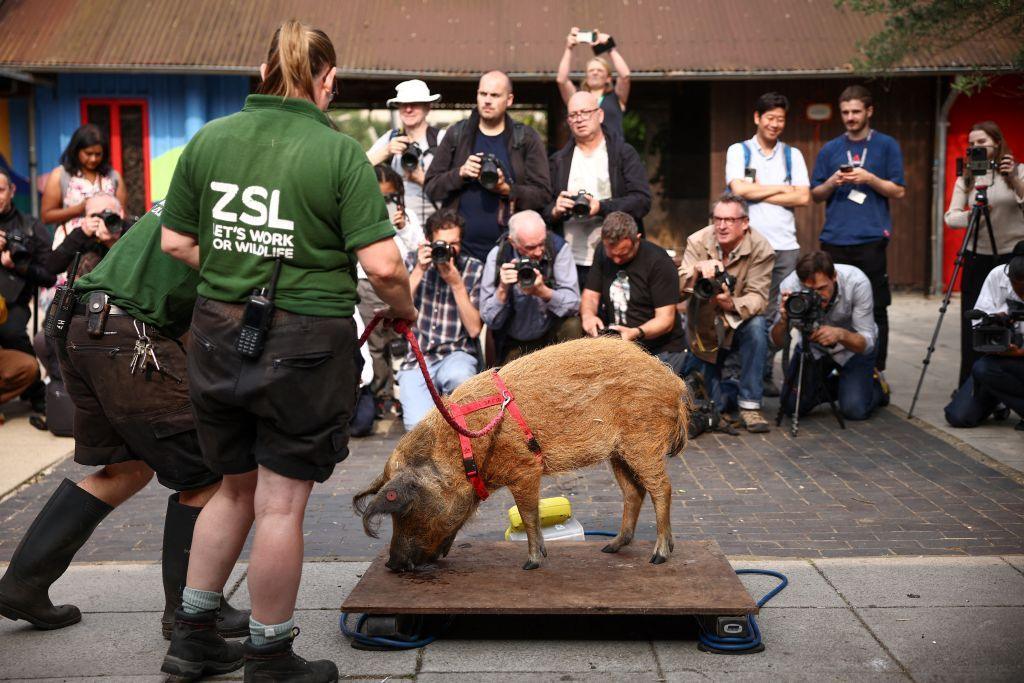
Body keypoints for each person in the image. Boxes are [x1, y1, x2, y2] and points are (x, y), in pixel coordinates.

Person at [159, 20, 417, 680]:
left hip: (217, 335)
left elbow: (176, 244)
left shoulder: (210, 140)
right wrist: (404, 309)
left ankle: (192, 637)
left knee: (231, 490)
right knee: (279, 504)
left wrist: (239, 266)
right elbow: (385, 265)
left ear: (266, 69)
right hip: (302, 342)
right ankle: (270, 654)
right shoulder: (337, 154)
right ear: (324, 79)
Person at [0, 204, 250, 640]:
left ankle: (23, 584)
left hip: (79, 323)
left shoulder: (194, 185)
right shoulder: (242, 198)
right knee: (208, 473)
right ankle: (191, 611)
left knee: (125, 469)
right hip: (127, 335)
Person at [811, 85, 905, 372]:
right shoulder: (830, 149)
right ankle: (830, 363)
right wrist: (833, 182)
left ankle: (875, 370)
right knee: (827, 304)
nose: (850, 117)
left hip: (871, 239)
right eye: (845, 112)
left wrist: (869, 178)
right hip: (835, 238)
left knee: (876, 306)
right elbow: (815, 194)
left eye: (855, 111)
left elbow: (898, 190)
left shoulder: (886, 145)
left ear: (869, 111)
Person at [725, 92, 811, 396]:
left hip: (785, 245)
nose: (775, 124)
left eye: (780, 119)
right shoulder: (740, 151)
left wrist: (756, 189)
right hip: (748, 247)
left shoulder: (793, 155)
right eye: (770, 118)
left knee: (777, 312)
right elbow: (737, 189)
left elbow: (803, 196)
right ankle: (735, 372)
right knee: (744, 307)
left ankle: (763, 373)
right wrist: (780, 188)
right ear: (757, 118)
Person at [424, 70, 552, 261]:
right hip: (461, 250)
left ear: (509, 100)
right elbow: (431, 187)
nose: (487, 100)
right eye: (483, 94)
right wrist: (460, 173)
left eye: (495, 95)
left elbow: (543, 194)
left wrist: (507, 189)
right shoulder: (458, 134)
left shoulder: (525, 138)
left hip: (512, 251)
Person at [678, 195, 775, 433]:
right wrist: (697, 271)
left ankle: (750, 406)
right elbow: (678, 288)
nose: (721, 226)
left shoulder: (762, 248)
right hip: (705, 325)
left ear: (744, 223)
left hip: (738, 318)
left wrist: (731, 302)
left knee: (758, 327)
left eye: (730, 220)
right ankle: (728, 391)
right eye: (718, 219)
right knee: (713, 405)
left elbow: (759, 298)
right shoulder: (698, 240)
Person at [944, 121, 1024, 385]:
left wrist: (1013, 179)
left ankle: (1009, 380)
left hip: (1010, 256)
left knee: (1013, 320)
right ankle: (970, 383)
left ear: (997, 143)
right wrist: (973, 216)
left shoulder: (1017, 172)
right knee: (974, 320)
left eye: (982, 143)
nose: (975, 148)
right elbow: (950, 217)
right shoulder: (967, 177)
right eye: (972, 144)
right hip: (977, 255)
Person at [546, 91, 650, 288]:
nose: (579, 119)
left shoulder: (622, 154)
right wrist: (555, 210)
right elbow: (543, 209)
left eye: (585, 112)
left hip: (617, 256)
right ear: (568, 121)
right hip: (570, 261)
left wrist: (601, 207)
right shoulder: (558, 161)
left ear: (600, 115)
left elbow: (642, 201)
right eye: (573, 115)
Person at [770, 251, 884, 421]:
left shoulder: (857, 282)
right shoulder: (791, 287)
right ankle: (843, 385)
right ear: (801, 283)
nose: (817, 295)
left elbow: (866, 343)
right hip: (813, 349)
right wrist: (784, 321)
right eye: (809, 290)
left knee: (854, 410)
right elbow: (776, 342)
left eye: (822, 288)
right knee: (790, 406)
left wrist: (841, 334)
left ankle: (875, 385)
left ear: (834, 277)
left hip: (852, 349)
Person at [398, 209, 483, 429]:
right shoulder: (411, 261)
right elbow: (397, 311)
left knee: (459, 377)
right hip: (418, 356)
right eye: (442, 244)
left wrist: (456, 284)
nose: (448, 250)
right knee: (418, 430)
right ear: (429, 242)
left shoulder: (472, 268)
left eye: (454, 243)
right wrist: (418, 270)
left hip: (456, 353)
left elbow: (474, 329)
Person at [355, 164, 424, 419]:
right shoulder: (362, 215)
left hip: (401, 284)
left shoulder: (408, 219)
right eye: (380, 198)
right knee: (374, 343)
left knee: (399, 341)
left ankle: (400, 394)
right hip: (367, 283)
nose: (386, 203)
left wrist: (404, 227)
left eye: (391, 198)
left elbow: (419, 247)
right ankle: (380, 395)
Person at [581, 211, 687, 373]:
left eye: (623, 255)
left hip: (659, 349)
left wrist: (635, 333)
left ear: (636, 238)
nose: (616, 260)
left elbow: (666, 320)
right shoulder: (602, 252)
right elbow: (590, 294)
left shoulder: (658, 261)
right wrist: (588, 316)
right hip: (618, 347)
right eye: (612, 255)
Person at [480, 210, 581, 363]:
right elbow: (489, 319)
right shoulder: (498, 256)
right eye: (531, 247)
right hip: (514, 340)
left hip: (550, 335)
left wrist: (544, 292)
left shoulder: (557, 248)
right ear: (513, 242)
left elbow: (574, 304)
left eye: (542, 243)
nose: (539, 251)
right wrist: (502, 289)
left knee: (573, 325)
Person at [945, 242, 1024, 429]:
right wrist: (996, 324)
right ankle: (1000, 400)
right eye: (1017, 288)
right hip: (1002, 359)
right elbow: (978, 323)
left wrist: (1020, 353)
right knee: (958, 416)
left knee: (985, 369)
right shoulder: (998, 275)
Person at [0, 168, 56, 411]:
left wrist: (18, 266)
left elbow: (49, 276)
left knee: (11, 331)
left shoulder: (31, 227)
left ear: (11, 191)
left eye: (0, 190)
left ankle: (34, 389)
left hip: (14, 303)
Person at [366, 79, 445, 223]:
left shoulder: (441, 139)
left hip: (436, 225)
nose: (408, 109)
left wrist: (422, 179)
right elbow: (358, 166)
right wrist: (387, 151)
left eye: (414, 104)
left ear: (428, 107)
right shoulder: (391, 137)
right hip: (399, 225)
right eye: (403, 105)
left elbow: (455, 184)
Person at [40, 124, 127, 250]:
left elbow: (121, 215)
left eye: (98, 154)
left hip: (107, 247)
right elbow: (46, 216)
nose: (93, 159)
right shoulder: (61, 175)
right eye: (88, 153)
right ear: (76, 151)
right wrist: (79, 208)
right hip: (71, 248)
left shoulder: (113, 176)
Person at [555, 26, 631, 136]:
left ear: (608, 77)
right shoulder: (577, 97)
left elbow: (625, 76)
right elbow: (561, 80)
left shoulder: (617, 97)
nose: (595, 73)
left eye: (600, 70)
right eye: (591, 70)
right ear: (586, 76)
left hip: (612, 151)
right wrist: (568, 49)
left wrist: (610, 48)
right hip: (583, 150)